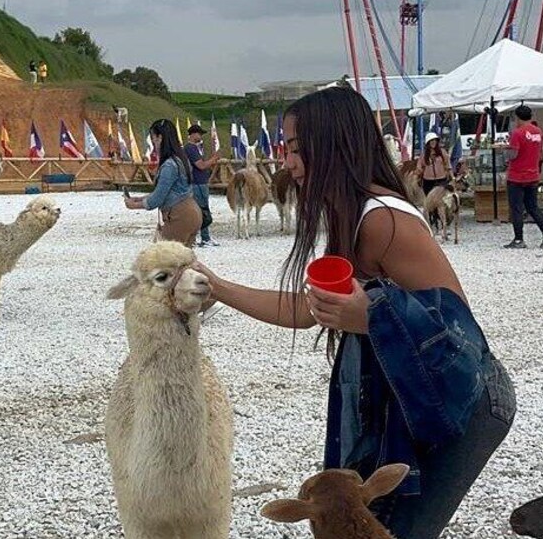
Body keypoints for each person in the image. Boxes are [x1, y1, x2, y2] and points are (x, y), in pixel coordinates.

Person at [193, 87, 516, 539]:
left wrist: (374, 319)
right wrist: (219, 287)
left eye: (295, 150)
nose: (287, 163)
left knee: (390, 530)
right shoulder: (354, 214)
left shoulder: (382, 220)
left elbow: (458, 327)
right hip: (423, 397)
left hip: (468, 401)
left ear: (334, 147)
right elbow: (309, 310)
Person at [123, 119, 201, 247]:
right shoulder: (181, 159)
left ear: (160, 137)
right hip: (192, 213)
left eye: (153, 138)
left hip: (179, 216)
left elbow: (158, 199)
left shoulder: (169, 165)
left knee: (165, 262)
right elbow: (166, 192)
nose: (153, 142)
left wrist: (133, 206)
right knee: (184, 262)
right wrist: (139, 198)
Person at [493, 105, 543, 249]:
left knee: (516, 208)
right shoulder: (538, 132)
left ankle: (518, 239)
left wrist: (504, 149)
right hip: (533, 174)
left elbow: (513, 155)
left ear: (517, 117)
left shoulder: (517, 133)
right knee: (532, 206)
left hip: (517, 176)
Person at [184, 123, 222, 247]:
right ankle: (204, 238)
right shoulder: (191, 148)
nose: (201, 136)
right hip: (198, 183)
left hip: (197, 182)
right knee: (203, 210)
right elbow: (201, 165)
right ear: (193, 134)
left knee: (198, 211)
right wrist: (214, 159)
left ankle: (194, 238)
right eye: (199, 134)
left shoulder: (191, 148)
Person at [416, 132, 452, 196]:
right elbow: (419, 168)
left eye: (435, 140)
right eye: (431, 140)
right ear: (428, 143)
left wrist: (452, 176)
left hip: (441, 180)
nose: (433, 142)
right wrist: (418, 177)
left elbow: (448, 165)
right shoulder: (423, 155)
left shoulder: (442, 152)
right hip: (428, 181)